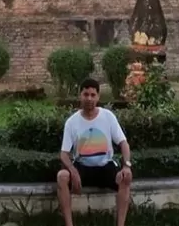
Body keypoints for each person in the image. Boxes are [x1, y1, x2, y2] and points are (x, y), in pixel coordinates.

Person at [57, 78, 133, 226]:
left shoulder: (108, 117)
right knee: (62, 176)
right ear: (80, 95)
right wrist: (72, 170)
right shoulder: (72, 122)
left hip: (106, 167)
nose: (89, 98)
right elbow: (64, 154)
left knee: (125, 178)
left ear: (98, 97)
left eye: (93, 95)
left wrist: (126, 166)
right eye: (86, 94)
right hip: (82, 167)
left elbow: (124, 143)